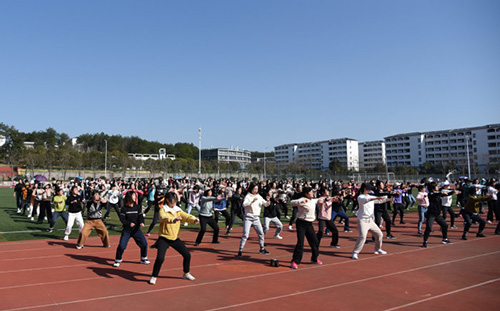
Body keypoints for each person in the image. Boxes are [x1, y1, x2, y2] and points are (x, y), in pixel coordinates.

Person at [149, 192, 199, 285]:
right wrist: (173, 220)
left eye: (176, 201)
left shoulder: (177, 210)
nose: (175, 203)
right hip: (164, 238)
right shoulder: (163, 210)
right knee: (160, 258)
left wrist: (193, 219)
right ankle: (154, 276)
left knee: (187, 255)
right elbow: (163, 218)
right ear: (167, 201)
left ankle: (186, 273)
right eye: (173, 201)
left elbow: (185, 216)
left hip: (175, 238)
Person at [352, 183, 392, 260]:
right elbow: (367, 200)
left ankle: (377, 249)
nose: (370, 190)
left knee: (379, 234)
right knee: (362, 236)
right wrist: (377, 198)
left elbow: (380, 201)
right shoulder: (360, 197)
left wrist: (390, 199)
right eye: (368, 188)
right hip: (362, 220)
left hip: (370, 220)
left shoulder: (371, 196)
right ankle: (355, 252)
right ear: (364, 189)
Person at [289, 186, 324, 269]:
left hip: (309, 224)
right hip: (301, 224)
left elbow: (320, 200)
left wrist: (331, 198)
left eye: (312, 192)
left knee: (315, 242)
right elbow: (292, 203)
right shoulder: (302, 200)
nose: (312, 193)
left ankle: (314, 259)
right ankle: (295, 261)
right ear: (306, 194)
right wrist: (300, 201)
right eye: (311, 192)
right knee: (300, 243)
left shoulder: (313, 200)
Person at [113, 191, 150, 267]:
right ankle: (117, 260)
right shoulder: (124, 209)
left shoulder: (137, 207)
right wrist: (129, 223)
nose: (135, 197)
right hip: (127, 231)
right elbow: (122, 219)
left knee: (144, 244)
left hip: (136, 230)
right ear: (129, 197)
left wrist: (142, 222)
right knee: (122, 246)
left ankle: (143, 259)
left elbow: (140, 216)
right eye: (133, 195)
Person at [237, 183, 270, 257]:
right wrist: (252, 201)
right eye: (254, 189)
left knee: (261, 233)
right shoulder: (248, 196)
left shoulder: (259, 196)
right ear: (251, 189)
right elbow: (244, 204)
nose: (256, 190)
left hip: (256, 218)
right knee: (245, 234)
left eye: (257, 189)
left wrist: (268, 201)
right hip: (248, 217)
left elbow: (265, 204)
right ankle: (240, 250)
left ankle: (262, 248)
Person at [422, 182, 456, 248]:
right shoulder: (430, 194)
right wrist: (441, 193)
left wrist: (453, 192)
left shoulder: (437, 194)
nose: (438, 187)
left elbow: (446, 194)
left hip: (437, 214)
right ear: (433, 188)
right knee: (429, 227)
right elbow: (436, 194)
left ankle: (445, 239)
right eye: (436, 186)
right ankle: (425, 241)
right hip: (431, 214)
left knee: (445, 225)